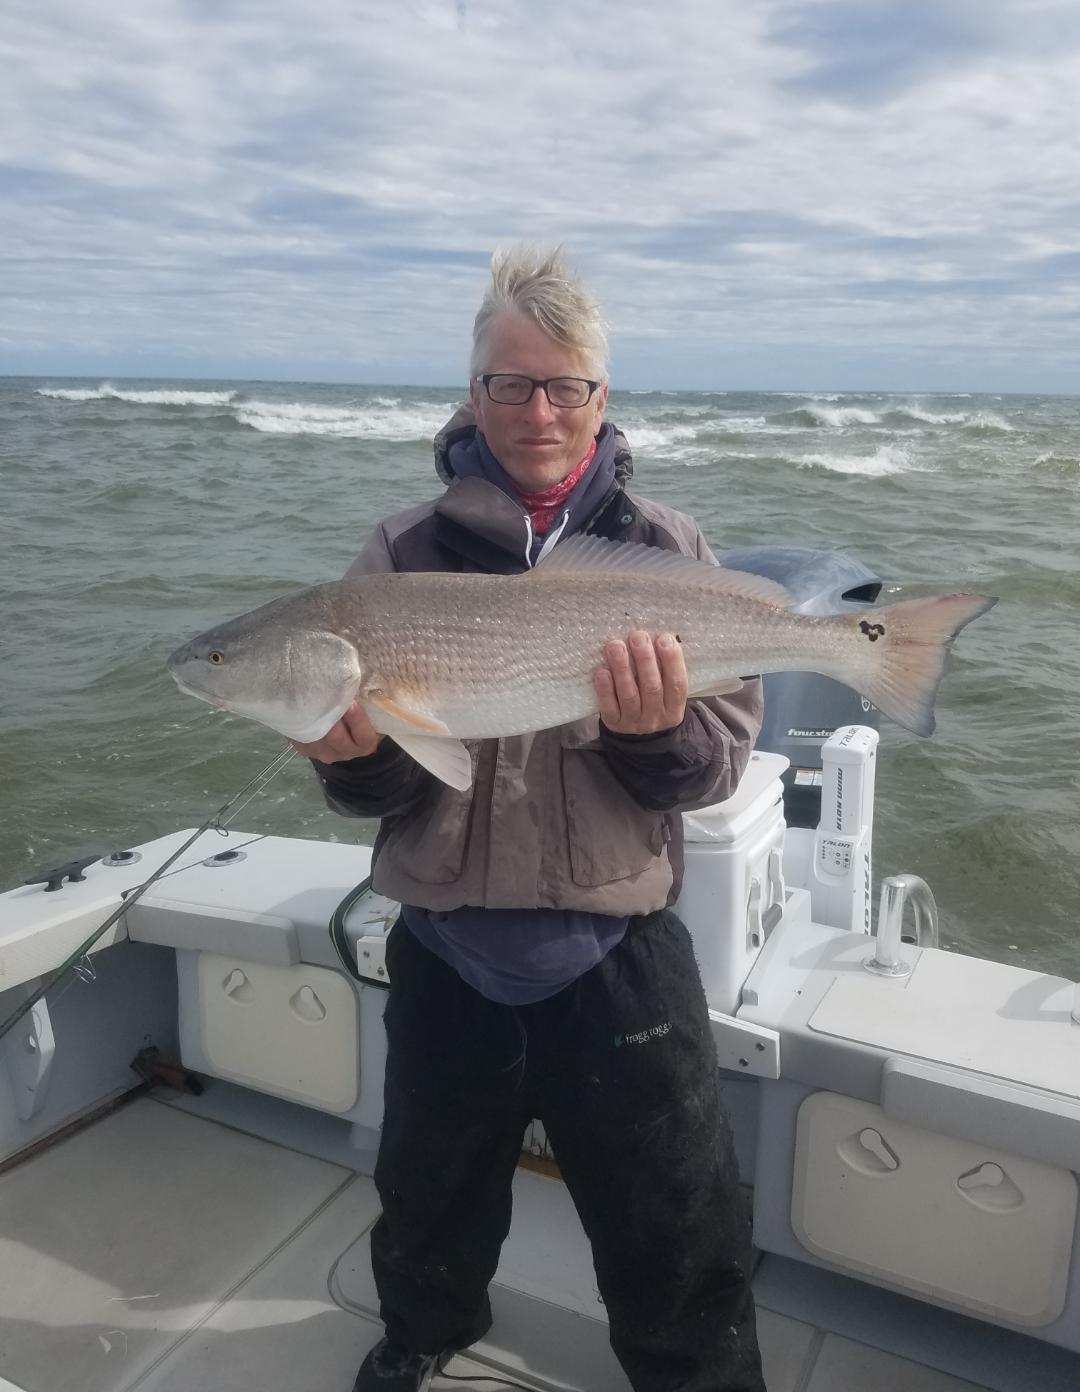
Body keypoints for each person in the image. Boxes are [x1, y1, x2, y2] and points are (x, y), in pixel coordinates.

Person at [293, 246, 768, 1392]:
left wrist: (656, 733)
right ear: (474, 393)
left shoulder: (667, 549)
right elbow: (390, 782)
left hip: (618, 945)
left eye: (566, 385)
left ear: (602, 398)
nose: (539, 410)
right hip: (448, 941)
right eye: (511, 383)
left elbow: (716, 772)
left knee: (675, 1223)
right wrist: (355, 765)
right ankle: (421, 1334)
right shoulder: (400, 552)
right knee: (427, 1192)